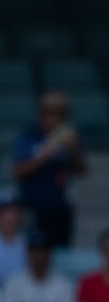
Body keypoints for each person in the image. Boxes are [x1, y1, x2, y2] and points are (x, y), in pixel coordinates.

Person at [11, 91, 87, 247]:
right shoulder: (29, 136)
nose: (54, 119)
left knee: (61, 251)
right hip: (33, 207)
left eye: (59, 114)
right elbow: (17, 172)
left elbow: (81, 171)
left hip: (61, 206)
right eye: (49, 114)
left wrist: (73, 151)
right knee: (34, 249)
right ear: (41, 114)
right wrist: (43, 156)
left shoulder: (69, 136)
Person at [3, 230, 74, 302]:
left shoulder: (62, 283)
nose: (39, 255)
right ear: (27, 253)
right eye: (34, 251)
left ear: (50, 253)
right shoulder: (14, 282)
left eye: (43, 250)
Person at [0, 190, 27, 290]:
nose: (10, 217)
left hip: (20, 298)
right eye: (5, 212)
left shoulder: (27, 244)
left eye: (14, 211)